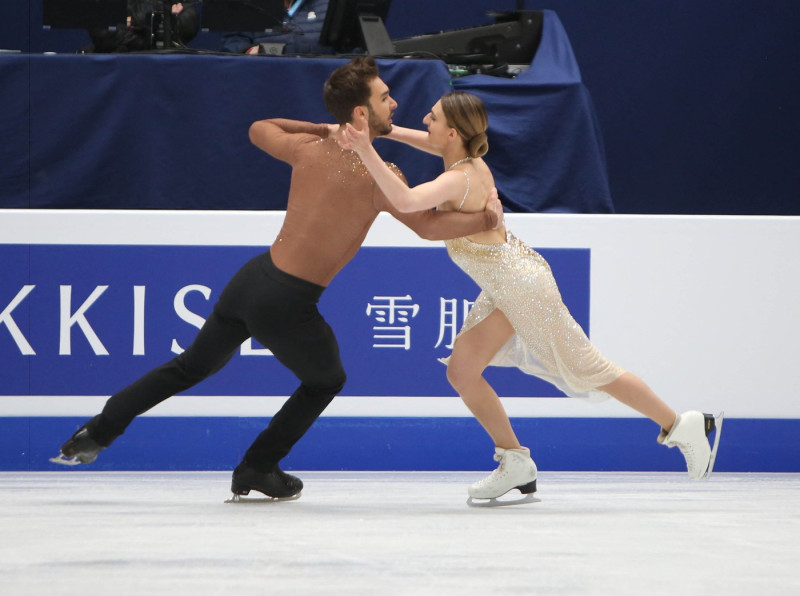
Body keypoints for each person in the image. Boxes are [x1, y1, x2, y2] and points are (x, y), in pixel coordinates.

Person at [52, 59, 504, 501]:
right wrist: (484, 217)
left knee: (190, 367)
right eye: (385, 98)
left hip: (252, 280)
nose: (396, 103)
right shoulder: (381, 179)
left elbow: (259, 126)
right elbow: (427, 227)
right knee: (326, 381)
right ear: (362, 113)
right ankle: (258, 467)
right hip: (287, 302)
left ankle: (97, 431)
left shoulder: (308, 149)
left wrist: (324, 129)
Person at [339, 90, 723, 504]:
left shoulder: (458, 178)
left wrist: (364, 149)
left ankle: (683, 424)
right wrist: (384, 131)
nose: (423, 122)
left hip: (522, 287)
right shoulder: (463, 161)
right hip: (507, 283)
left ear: (452, 132)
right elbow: (426, 145)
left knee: (590, 368)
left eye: (430, 118)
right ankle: (516, 462)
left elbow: (405, 200)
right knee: (463, 371)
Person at [220, 0, 332, 55]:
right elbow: (233, 43)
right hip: (264, 82)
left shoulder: (331, 4)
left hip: (320, 87)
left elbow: (345, 49)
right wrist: (248, 51)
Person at [85, 1, 199, 53]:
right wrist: (164, 19)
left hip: (165, 69)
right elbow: (104, 35)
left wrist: (131, 23)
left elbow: (189, 25)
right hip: (118, 70)